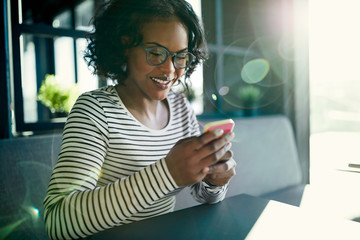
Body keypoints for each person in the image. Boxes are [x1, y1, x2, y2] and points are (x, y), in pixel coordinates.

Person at [43, 0, 236, 239]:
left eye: (180, 56)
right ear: (125, 45)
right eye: (156, 53)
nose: (169, 69)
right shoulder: (95, 111)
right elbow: (57, 222)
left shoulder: (179, 107)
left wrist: (215, 180)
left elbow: (204, 195)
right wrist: (167, 174)